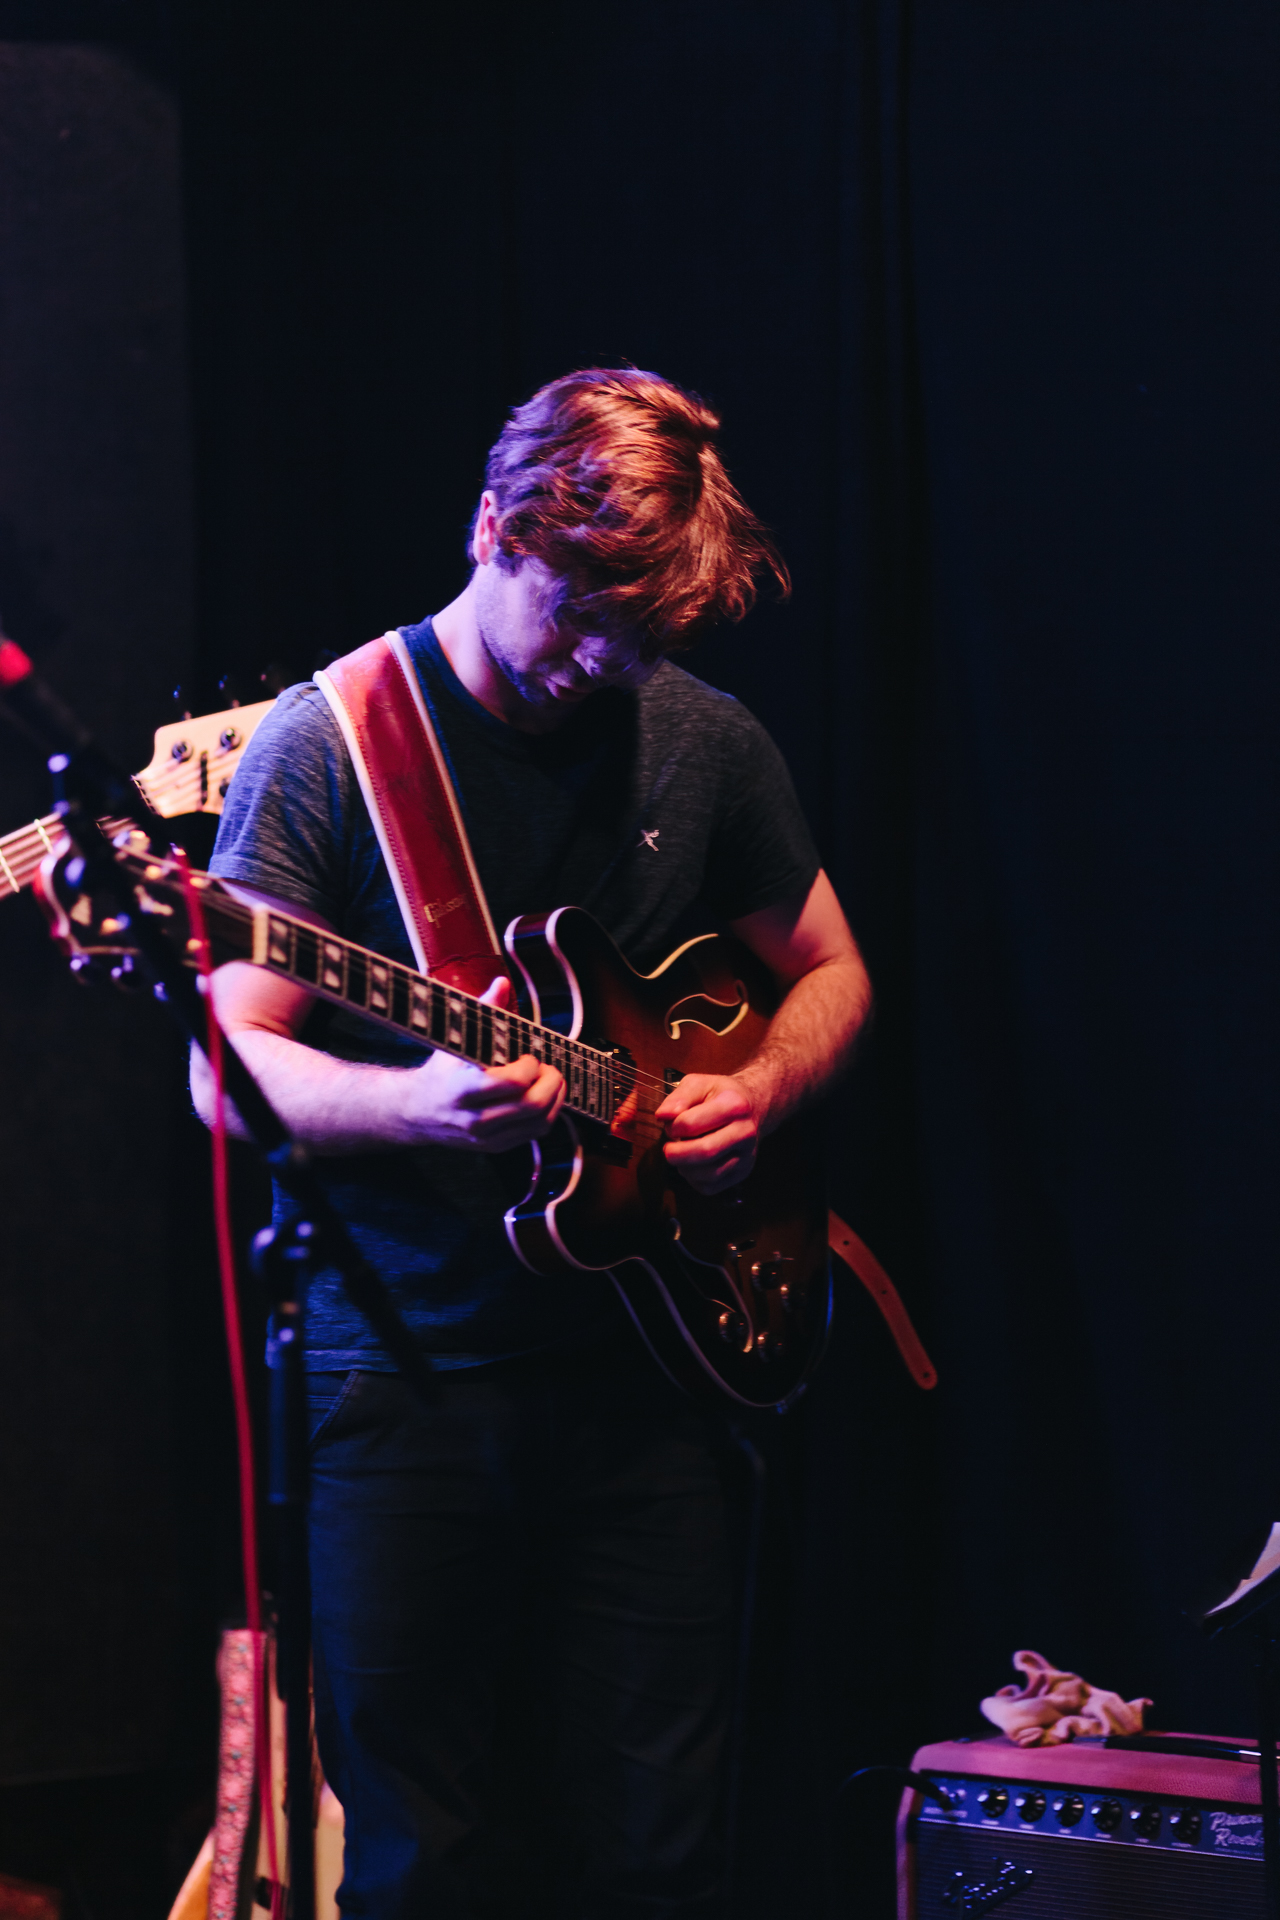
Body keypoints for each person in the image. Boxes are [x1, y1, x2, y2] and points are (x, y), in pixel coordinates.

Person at [192, 367, 871, 1918]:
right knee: (428, 1859)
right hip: (408, 1380)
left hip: (658, 1377)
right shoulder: (327, 744)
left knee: (661, 1853)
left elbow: (835, 969)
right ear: (494, 527)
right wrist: (411, 1105)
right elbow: (229, 1065)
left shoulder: (701, 738)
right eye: (579, 624)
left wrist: (761, 1088)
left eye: (640, 643)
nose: (598, 671)